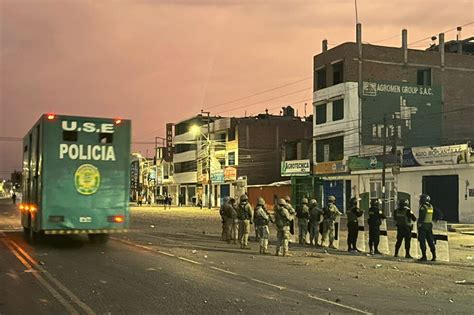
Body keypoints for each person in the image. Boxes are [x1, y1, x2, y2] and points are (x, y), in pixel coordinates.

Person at [417, 194, 436, 262]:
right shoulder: (431, 206)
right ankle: (434, 256)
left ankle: (424, 256)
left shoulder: (423, 207)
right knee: (430, 241)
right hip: (429, 225)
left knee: (422, 241)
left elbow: (421, 217)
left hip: (423, 225)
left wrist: (419, 225)